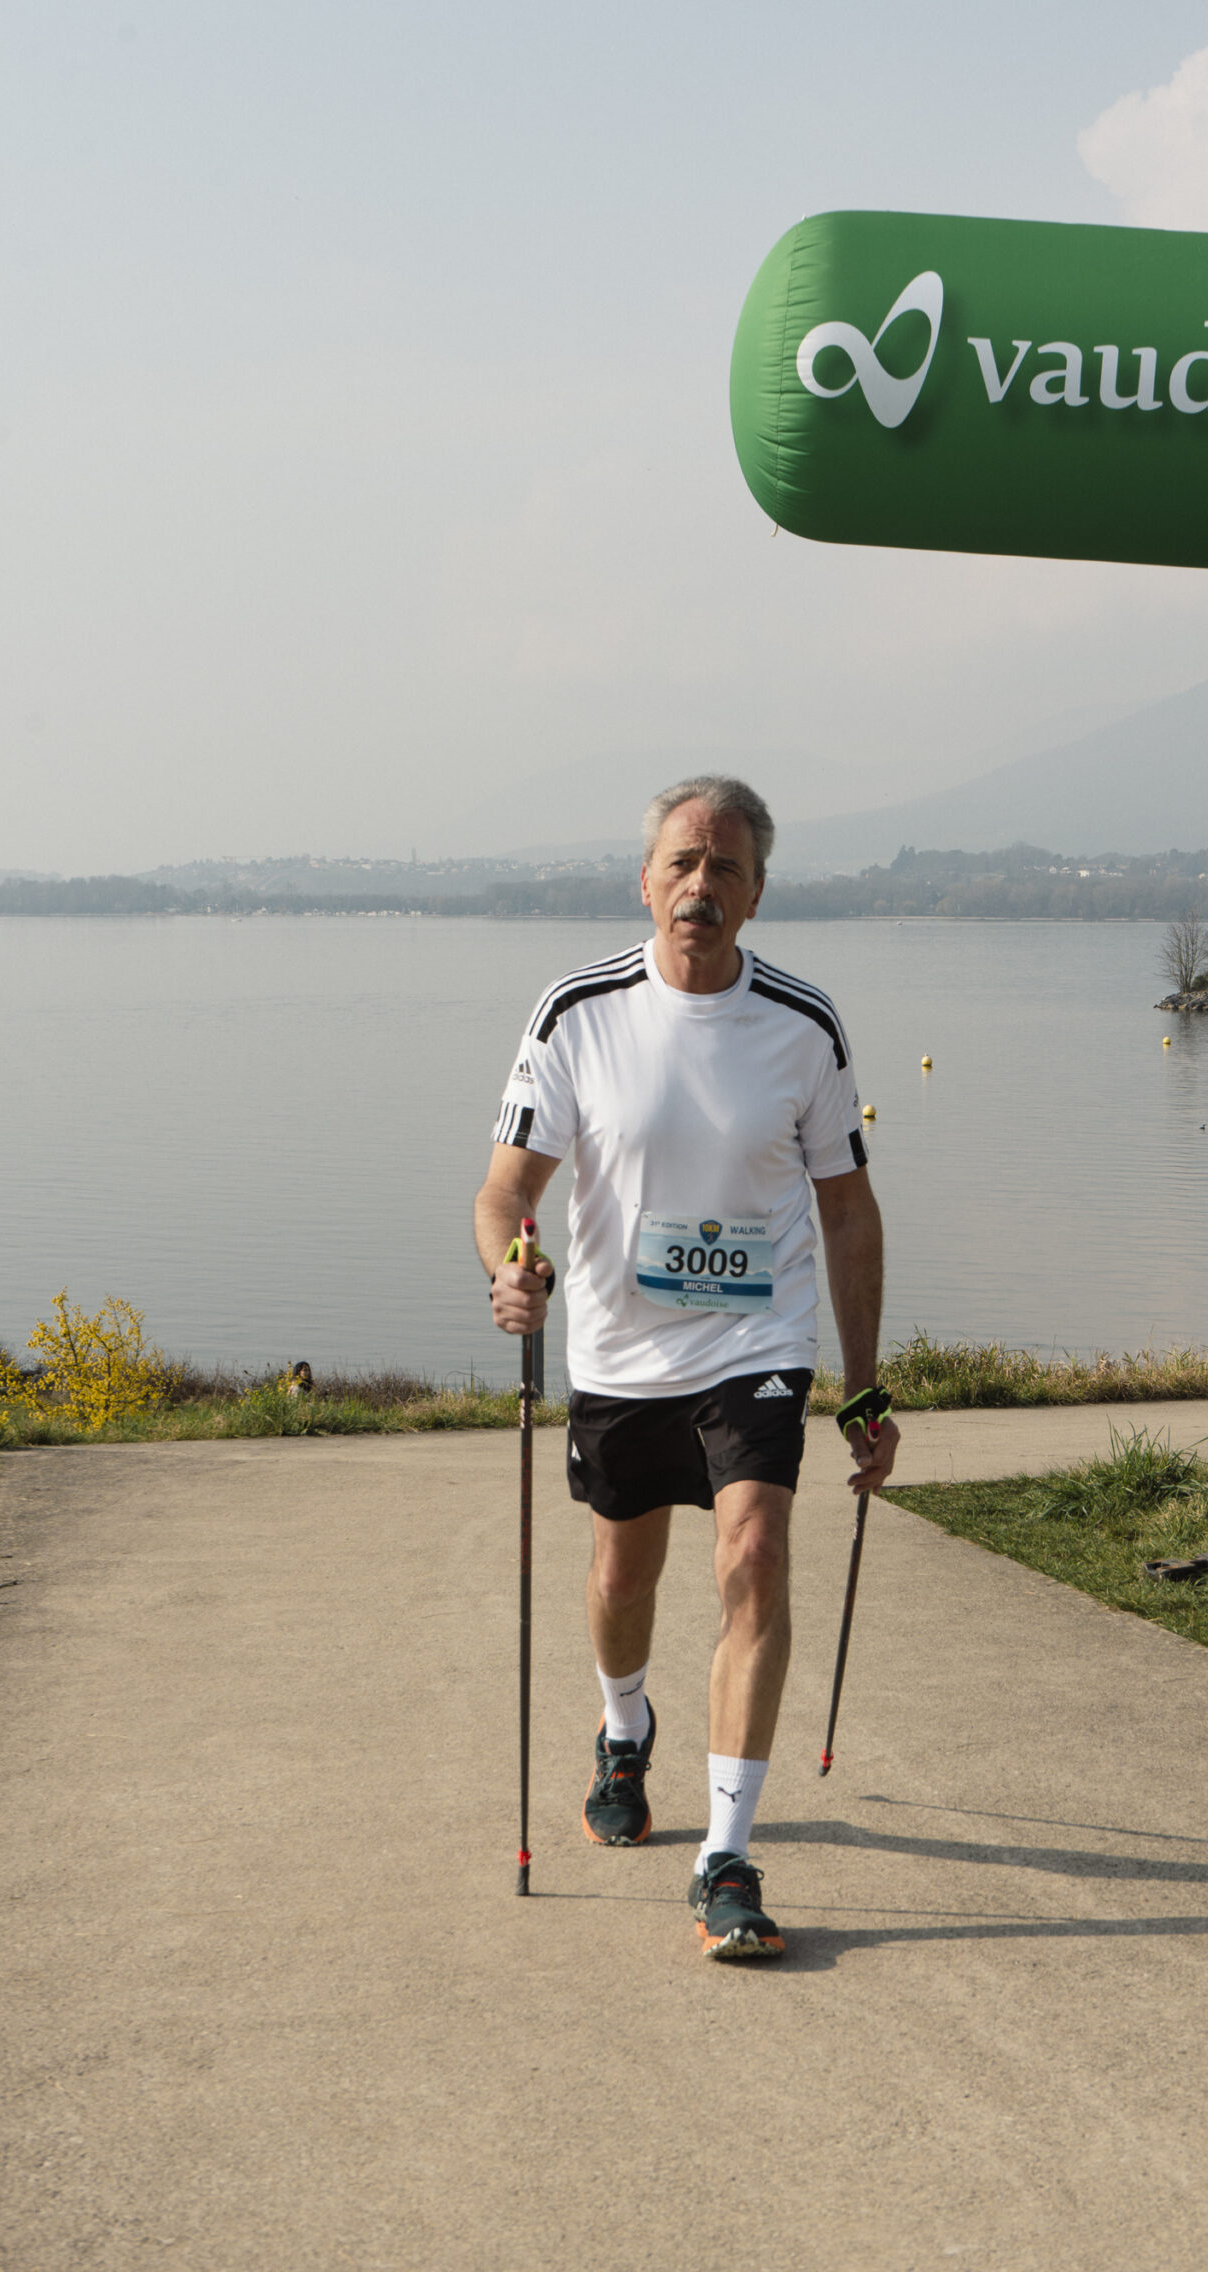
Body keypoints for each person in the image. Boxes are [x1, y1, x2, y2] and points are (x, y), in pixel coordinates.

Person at [474, 774, 898, 1960]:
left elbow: (848, 1213)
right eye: (683, 862)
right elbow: (506, 1189)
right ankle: (625, 1730)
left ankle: (726, 1854)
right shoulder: (578, 1011)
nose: (701, 885)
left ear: (757, 894)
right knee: (624, 1576)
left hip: (756, 1344)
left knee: (755, 1554)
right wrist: (513, 1266)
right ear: (646, 881)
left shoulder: (804, 1026)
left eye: (725, 868)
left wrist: (863, 1386)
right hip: (620, 1347)